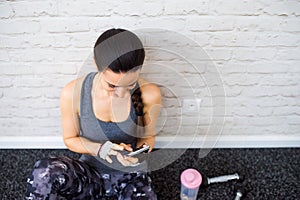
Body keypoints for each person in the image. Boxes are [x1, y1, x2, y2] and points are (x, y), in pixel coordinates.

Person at [25, 28, 161, 199]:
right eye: (112, 85)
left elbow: (148, 136)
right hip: (90, 174)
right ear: (97, 65)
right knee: (44, 171)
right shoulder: (73, 93)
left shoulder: (149, 94)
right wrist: (100, 149)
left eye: (130, 84)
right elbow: (70, 139)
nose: (120, 93)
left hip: (130, 176)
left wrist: (138, 154)